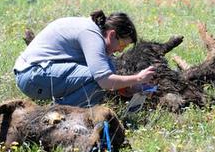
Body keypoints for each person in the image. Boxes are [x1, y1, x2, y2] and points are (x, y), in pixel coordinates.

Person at [14, 10, 155, 107]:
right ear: (112, 35)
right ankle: (60, 113)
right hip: (31, 75)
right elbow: (105, 80)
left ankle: (64, 108)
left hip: (35, 73)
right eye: (123, 44)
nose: (121, 50)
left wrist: (131, 87)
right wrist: (137, 78)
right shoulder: (91, 34)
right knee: (97, 80)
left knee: (108, 68)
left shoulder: (92, 30)